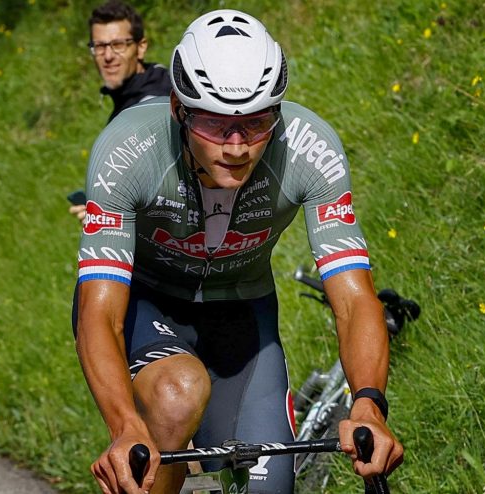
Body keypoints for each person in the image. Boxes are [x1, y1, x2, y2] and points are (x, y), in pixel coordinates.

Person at [73, 10, 403, 494]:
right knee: (175, 394)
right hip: (146, 301)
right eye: (213, 123)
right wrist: (125, 426)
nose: (236, 146)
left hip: (242, 312)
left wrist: (369, 405)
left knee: (271, 487)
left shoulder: (312, 150)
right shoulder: (128, 149)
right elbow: (99, 313)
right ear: (178, 110)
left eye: (255, 122)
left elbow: (355, 300)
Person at [71, 0, 173, 220]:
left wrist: (106, 215)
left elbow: (162, 193)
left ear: (141, 46)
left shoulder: (149, 108)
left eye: (118, 45)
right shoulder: (158, 79)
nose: (108, 56)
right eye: (99, 46)